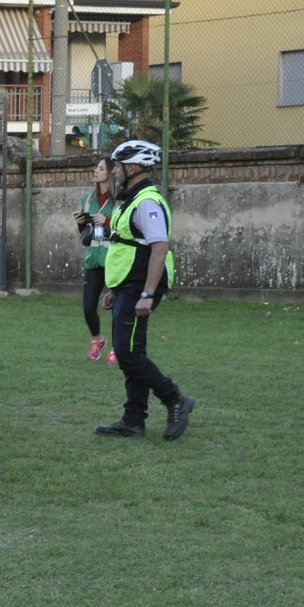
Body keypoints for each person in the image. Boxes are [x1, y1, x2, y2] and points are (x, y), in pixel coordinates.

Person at [92, 140, 195, 440]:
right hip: (130, 285)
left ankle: (175, 399)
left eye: (119, 166)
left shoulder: (147, 202)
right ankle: (133, 420)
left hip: (141, 287)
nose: (116, 172)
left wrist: (147, 294)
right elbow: (128, 246)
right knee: (132, 351)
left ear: (133, 167)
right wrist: (118, 289)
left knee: (126, 353)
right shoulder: (131, 199)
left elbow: (159, 248)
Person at [76, 158, 116, 364]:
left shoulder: (119, 200)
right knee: (88, 306)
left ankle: (118, 348)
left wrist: (107, 221)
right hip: (93, 260)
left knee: (119, 306)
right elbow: (85, 235)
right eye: (96, 168)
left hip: (115, 260)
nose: (95, 171)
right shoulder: (88, 198)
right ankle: (97, 340)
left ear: (110, 173)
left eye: (100, 168)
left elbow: (124, 228)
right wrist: (80, 223)